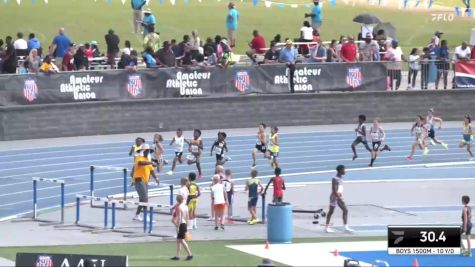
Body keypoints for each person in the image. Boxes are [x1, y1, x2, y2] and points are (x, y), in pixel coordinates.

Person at [131, 144, 159, 221]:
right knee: (145, 199)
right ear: (143, 151)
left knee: (142, 199)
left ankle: (137, 215)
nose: (148, 152)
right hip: (139, 180)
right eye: (146, 151)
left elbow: (151, 170)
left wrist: (156, 178)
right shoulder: (139, 158)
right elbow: (140, 163)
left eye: (149, 151)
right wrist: (150, 163)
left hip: (145, 181)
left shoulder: (147, 160)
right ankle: (146, 216)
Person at [324, 165, 354, 233]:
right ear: (340, 170)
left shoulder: (341, 178)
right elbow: (334, 190)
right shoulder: (335, 179)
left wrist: (340, 196)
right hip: (334, 197)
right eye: (344, 170)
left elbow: (339, 188)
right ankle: (327, 227)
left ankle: (346, 226)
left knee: (345, 210)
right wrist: (339, 198)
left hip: (339, 196)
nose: (345, 171)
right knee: (331, 212)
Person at [170, 195, 193, 261]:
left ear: (177, 200)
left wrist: (178, 226)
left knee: (181, 240)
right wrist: (188, 226)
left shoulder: (179, 207)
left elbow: (179, 218)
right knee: (178, 241)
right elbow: (187, 217)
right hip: (184, 223)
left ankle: (190, 254)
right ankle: (177, 256)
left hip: (181, 224)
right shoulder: (185, 206)